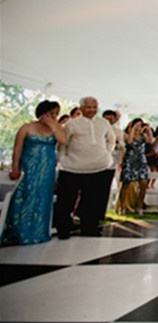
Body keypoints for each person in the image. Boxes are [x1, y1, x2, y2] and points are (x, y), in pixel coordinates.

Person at [2, 100, 66, 245]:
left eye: (56, 114)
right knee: (24, 196)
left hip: (46, 168)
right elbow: (17, 149)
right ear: (42, 113)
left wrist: (53, 125)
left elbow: (63, 140)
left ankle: (38, 232)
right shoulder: (27, 127)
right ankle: (18, 232)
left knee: (42, 198)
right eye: (51, 113)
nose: (54, 116)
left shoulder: (56, 128)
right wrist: (15, 168)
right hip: (28, 167)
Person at [54, 96, 116, 238]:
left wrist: (106, 153)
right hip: (72, 167)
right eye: (88, 107)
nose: (91, 110)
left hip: (98, 167)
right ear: (81, 108)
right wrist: (63, 159)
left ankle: (89, 228)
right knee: (66, 201)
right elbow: (63, 144)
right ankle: (63, 229)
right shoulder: (71, 124)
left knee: (93, 201)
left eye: (94, 107)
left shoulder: (104, 123)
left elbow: (111, 139)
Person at [117, 118, 154, 215]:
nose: (139, 127)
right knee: (126, 184)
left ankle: (139, 206)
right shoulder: (127, 135)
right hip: (130, 161)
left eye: (140, 125)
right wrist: (133, 129)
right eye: (137, 125)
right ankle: (122, 207)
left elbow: (150, 141)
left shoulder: (143, 136)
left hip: (141, 161)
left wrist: (148, 130)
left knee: (143, 184)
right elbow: (129, 142)